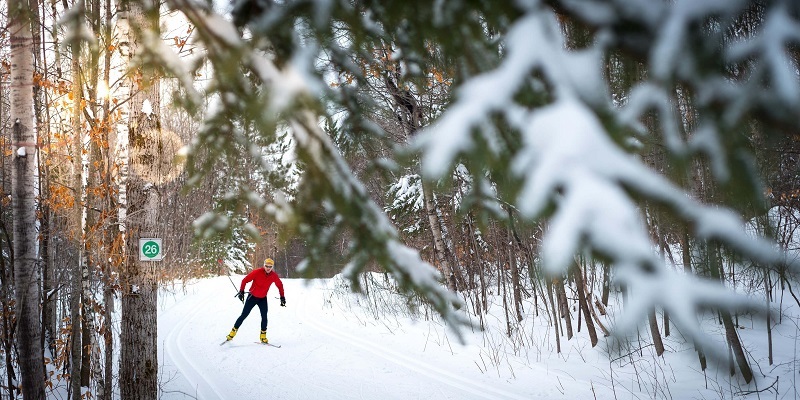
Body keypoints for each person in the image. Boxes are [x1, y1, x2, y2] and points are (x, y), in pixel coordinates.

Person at [225, 257, 286, 344]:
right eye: (266, 266)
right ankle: (232, 334)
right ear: (264, 265)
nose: (268, 268)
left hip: (262, 299)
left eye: (270, 266)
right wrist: (241, 291)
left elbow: (280, 285)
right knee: (244, 315)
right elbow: (245, 280)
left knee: (264, 317)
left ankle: (263, 337)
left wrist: (282, 297)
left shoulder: (273, 276)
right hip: (252, 297)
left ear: (272, 267)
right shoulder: (257, 272)